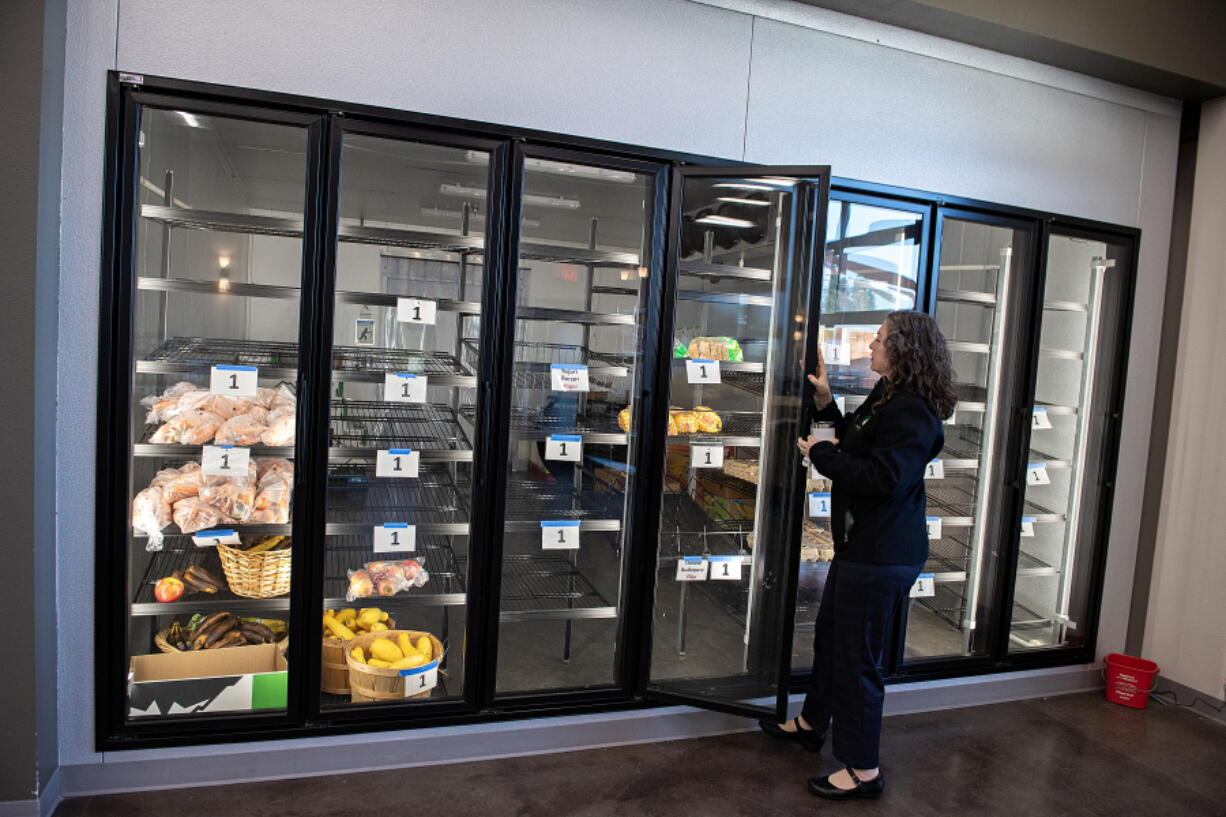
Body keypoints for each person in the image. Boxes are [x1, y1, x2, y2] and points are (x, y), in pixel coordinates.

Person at [758, 310, 957, 801]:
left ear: (904, 350)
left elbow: (883, 477)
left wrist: (820, 457)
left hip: (882, 553)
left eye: (881, 339)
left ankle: (863, 769)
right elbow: (854, 439)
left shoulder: (914, 411)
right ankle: (811, 723)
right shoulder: (888, 394)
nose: (871, 345)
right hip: (862, 545)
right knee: (832, 639)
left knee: (856, 659)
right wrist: (825, 404)